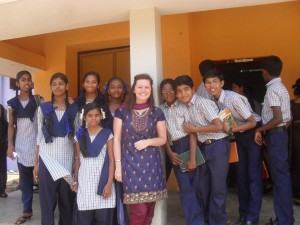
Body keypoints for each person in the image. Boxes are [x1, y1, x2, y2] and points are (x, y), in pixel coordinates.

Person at [204, 69, 262, 225]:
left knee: (253, 176)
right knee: (241, 176)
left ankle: (252, 217)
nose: (212, 85)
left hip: (251, 133)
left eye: (215, 81)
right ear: (204, 85)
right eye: (208, 83)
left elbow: (252, 121)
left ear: (222, 83)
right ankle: (243, 214)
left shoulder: (233, 98)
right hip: (237, 136)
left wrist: (229, 130)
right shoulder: (210, 99)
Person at [174, 75, 229, 225]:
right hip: (203, 146)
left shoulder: (203, 103)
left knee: (217, 188)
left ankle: (218, 222)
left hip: (217, 145)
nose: (183, 94)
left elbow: (218, 126)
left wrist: (195, 129)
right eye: (179, 91)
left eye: (186, 89)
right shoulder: (185, 107)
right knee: (204, 186)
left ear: (193, 89)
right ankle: (206, 220)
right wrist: (192, 158)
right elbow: (193, 134)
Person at [113, 74, 168, 225]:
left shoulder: (157, 112)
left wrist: (148, 141)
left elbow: (163, 139)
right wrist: (118, 167)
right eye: (140, 87)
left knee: (149, 210)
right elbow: (116, 139)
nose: (143, 90)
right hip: (130, 165)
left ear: (151, 90)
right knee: (139, 211)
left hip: (152, 165)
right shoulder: (122, 112)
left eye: (147, 87)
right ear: (134, 90)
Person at [34, 73, 78, 225]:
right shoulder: (43, 108)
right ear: (51, 87)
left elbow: (77, 138)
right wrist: (36, 163)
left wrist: (76, 161)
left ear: (67, 86)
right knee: (47, 202)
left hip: (67, 158)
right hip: (47, 159)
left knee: (67, 202)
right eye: (54, 84)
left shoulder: (74, 109)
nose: (57, 86)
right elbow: (39, 136)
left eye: (61, 83)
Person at [254, 56, 294, 225]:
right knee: (281, 178)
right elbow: (288, 117)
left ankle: (284, 220)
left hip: (276, 136)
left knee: (280, 179)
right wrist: (280, 130)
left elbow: (277, 118)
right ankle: (285, 218)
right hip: (280, 135)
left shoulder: (272, 90)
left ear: (265, 72)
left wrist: (260, 129)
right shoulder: (282, 87)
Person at [159, 78, 202, 225]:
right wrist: (170, 153)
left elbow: (192, 133)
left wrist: (192, 158)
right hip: (172, 147)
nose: (168, 93)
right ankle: (196, 221)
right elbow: (163, 135)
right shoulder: (160, 110)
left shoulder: (184, 106)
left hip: (188, 144)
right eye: (164, 91)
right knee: (185, 186)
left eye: (172, 90)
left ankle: (201, 218)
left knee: (195, 184)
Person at [6, 71, 41, 224]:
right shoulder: (12, 103)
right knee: (25, 181)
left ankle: (48, 209)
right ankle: (27, 210)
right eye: (23, 80)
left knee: (43, 180)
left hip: (38, 145)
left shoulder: (38, 100)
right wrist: (10, 145)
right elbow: (11, 126)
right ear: (17, 83)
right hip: (21, 145)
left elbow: (43, 124)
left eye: (29, 79)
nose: (26, 82)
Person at [72, 103, 115, 225]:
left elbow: (112, 160)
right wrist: (75, 180)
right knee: (84, 217)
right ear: (84, 117)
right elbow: (77, 159)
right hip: (85, 182)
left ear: (101, 116)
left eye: (97, 115)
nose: (93, 118)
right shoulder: (79, 135)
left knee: (103, 219)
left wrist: (109, 183)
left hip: (102, 182)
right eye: (90, 115)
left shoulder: (108, 134)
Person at [290, 78, 300, 204]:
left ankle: (296, 193)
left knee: (296, 164)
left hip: (294, 138)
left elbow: (288, 120)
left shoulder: (291, 103)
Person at [0, 104, 8, 198]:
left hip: (2, 150)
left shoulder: (5, 123)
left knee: (2, 170)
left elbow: (7, 137)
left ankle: (2, 190)